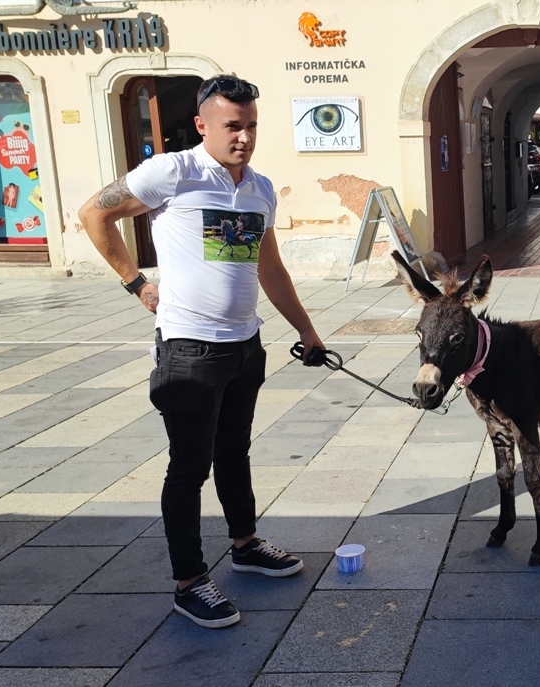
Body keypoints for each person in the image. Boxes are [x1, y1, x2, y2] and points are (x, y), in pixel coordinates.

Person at [78, 74, 325, 629]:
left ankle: (245, 545)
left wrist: (307, 331)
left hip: (245, 345)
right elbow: (94, 213)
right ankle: (189, 583)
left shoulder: (260, 188)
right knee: (189, 467)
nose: (244, 137)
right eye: (232, 126)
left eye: (251, 126)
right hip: (190, 350)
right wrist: (136, 284)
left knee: (234, 452)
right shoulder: (174, 172)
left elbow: (270, 268)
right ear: (201, 125)